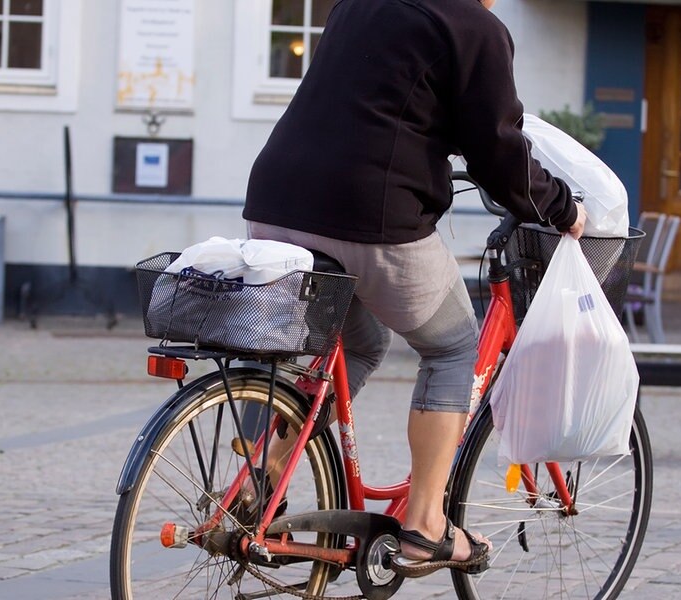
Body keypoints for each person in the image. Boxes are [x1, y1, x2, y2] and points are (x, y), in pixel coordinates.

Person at [243, 0, 586, 576]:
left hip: (274, 204)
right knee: (451, 345)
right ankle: (426, 525)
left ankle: (267, 466)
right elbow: (499, 152)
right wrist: (561, 207)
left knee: (361, 341)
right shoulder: (474, 28)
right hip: (368, 215)